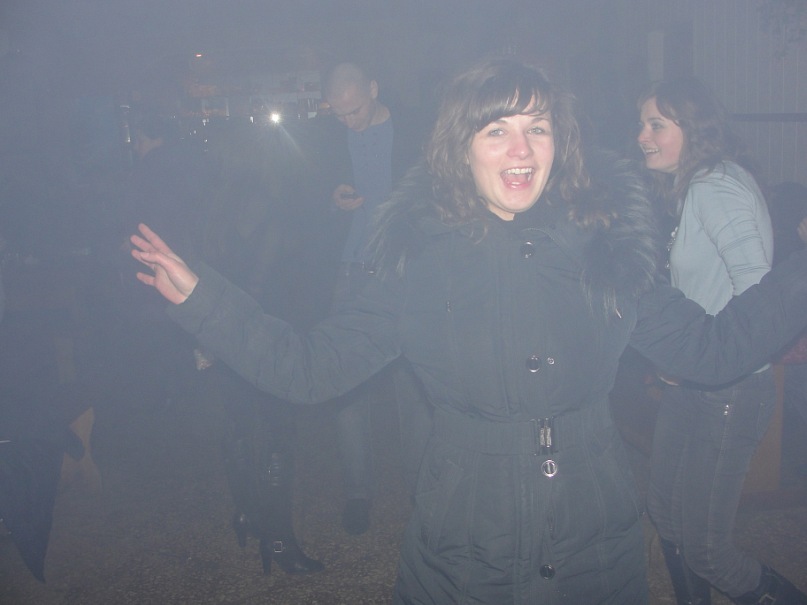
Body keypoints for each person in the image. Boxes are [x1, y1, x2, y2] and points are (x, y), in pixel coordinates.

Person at [129, 58, 807, 605]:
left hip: (596, 551)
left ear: (560, 143)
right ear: (461, 148)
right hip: (466, 553)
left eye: (538, 128)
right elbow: (310, 369)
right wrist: (204, 301)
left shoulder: (607, 251)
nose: (521, 149)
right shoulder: (417, 263)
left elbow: (715, 350)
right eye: (496, 130)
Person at [637, 78, 805, 605]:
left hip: (729, 390)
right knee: (666, 515)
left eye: (656, 124)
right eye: (642, 124)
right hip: (695, 382)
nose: (641, 136)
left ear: (694, 128)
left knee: (708, 549)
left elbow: (759, 293)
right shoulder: (699, 185)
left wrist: (709, 358)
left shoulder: (715, 186)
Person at [198, 122, 325, 576]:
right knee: (276, 440)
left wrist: (206, 338)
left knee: (238, 433)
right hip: (266, 337)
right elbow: (263, 282)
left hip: (223, 335)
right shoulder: (270, 206)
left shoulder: (214, 206)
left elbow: (207, 275)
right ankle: (278, 540)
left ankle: (247, 515)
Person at [322, 61, 433, 534]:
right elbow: (302, 200)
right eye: (339, 113)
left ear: (373, 88)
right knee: (347, 385)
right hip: (352, 273)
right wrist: (331, 200)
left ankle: (422, 494)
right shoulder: (327, 139)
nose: (349, 121)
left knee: (414, 386)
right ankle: (357, 491)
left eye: (355, 110)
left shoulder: (416, 131)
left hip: (405, 272)